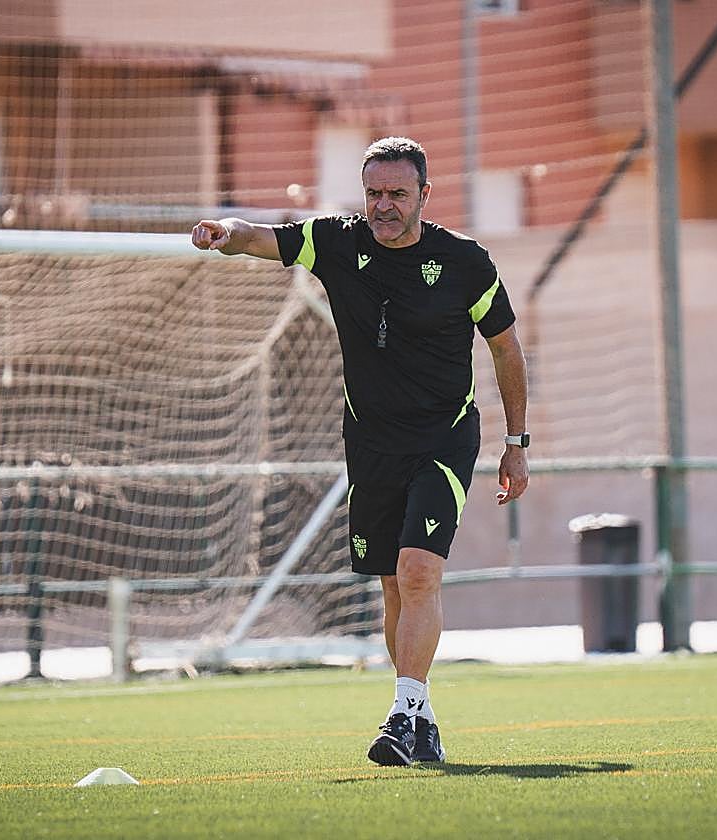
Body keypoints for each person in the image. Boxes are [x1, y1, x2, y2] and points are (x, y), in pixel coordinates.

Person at [192, 136, 529, 766]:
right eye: (374, 193)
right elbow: (266, 239)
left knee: (419, 570)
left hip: (443, 438)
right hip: (371, 442)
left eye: (398, 194)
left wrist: (516, 443)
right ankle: (419, 721)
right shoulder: (337, 241)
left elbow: (506, 349)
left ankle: (402, 713)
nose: (383, 206)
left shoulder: (465, 262)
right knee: (393, 589)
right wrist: (224, 230)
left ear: (425, 196)